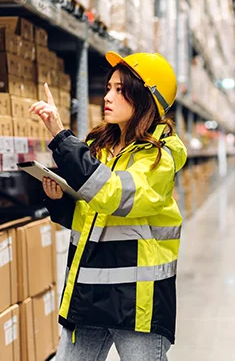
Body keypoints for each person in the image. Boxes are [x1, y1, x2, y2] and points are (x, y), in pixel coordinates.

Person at [29, 52, 187, 361]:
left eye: (119, 89)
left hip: (135, 302)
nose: (108, 97)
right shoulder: (100, 146)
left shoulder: (159, 157)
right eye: (108, 87)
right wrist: (60, 200)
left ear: (144, 97)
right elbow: (91, 217)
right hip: (89, 293)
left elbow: (114, 195)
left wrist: (62, 137)